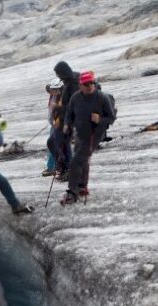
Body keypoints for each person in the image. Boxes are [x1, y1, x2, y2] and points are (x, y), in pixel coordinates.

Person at [61, 70, 116, 206]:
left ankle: (72, 192)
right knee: (83, 160)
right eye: (86, 83)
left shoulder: (102, 98)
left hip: (94, 135)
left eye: (91, 82)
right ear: (80, 85)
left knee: (75, 162)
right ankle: (82, 186)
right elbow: (69, 114)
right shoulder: (75, 97)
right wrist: (67, 124)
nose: (90, 85)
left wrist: (99, 120)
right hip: (79, 133)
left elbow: (111, 118)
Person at [52, 61, 79, 180]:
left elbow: (73, 106)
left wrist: (58, 108)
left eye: (58, 73)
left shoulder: (73, 84)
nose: (57, 76)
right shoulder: (67, 82)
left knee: (62, 143)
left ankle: (68, 169)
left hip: (69, 120)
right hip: (63, 119)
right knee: (56, 143)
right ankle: (65, 167)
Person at [42, 79, 63, 177]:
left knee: (54, 144)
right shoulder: (52, 96)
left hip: (60, 125)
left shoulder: (62, 98)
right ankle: (52, 166)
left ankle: (54, 167)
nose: (54, 91)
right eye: (52, 89)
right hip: (54, 124)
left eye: (56, 89)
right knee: (51, 145)